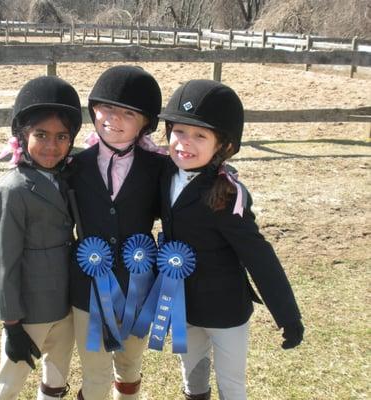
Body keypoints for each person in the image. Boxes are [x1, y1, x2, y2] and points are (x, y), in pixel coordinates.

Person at [158, 79, 304, 400]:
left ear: (222, 146)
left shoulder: (226, 196)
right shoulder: (164, 175)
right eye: (179, 131)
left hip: (226, 312)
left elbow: (259, 256)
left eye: (200, 135)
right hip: (183, 305)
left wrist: (287, 315)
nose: (185, 143)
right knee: (193, 377)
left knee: (231, 385)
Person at [68, 65, 166, 400]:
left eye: (127, 112)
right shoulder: (74, 167)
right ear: (93, 109)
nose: (114, 118)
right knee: (94, 375)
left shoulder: (159, 168)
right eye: (106, 108)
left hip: (139, 286)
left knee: (130, 365)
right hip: (88, 289)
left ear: (144, 123)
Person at [0, 76, 82, 400]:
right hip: (29, 313)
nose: (52, 146)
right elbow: (3, 262)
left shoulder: (64, 179)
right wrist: (11, 323)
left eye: (61, 137)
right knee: (8, 384)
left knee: (56, 381)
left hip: (63, 306)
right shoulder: (12, 190)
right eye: (41, 135)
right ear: (23, 136)